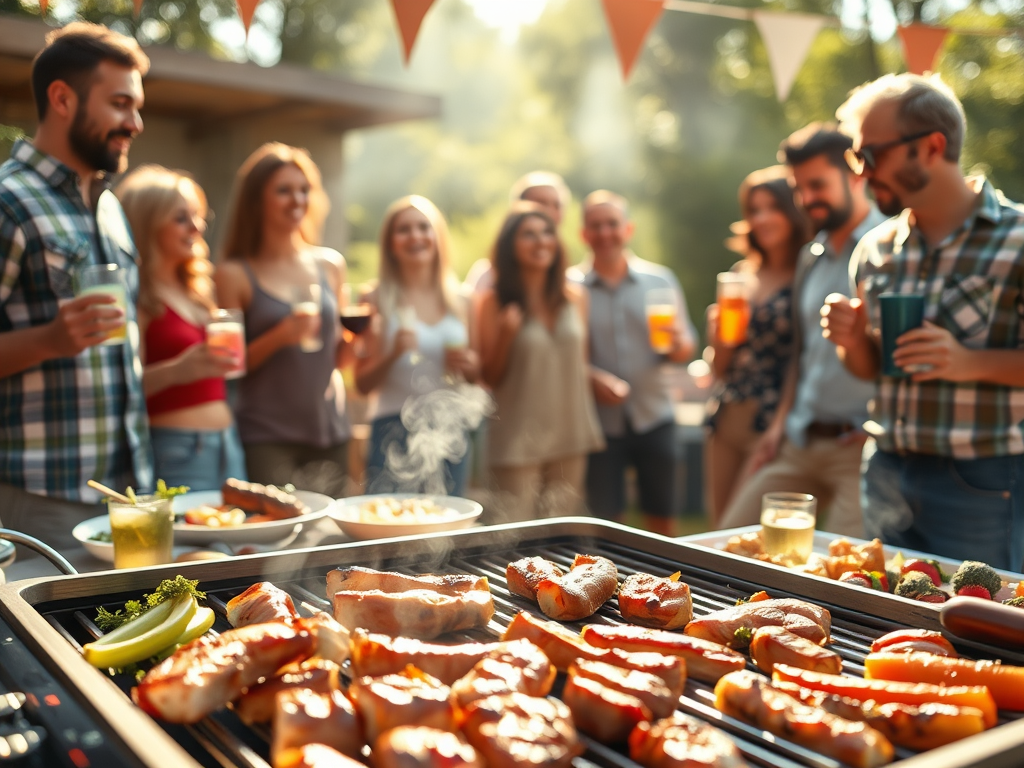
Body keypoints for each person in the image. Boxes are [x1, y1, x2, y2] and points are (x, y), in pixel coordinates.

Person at [822, 74, 1024, 570]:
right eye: (856, 158)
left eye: (871, 155)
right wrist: (852, 341)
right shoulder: (874, 250)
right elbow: (871, 368)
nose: (862, 174)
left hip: (981, 481)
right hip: (885, 467)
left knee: (979, 615)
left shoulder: (1017, 240)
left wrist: (967, 362)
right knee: (882, 611)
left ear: (932, 146)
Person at [0, 23, 152, 549]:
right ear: (62, 99)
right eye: (120, 104)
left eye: (137, 107)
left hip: (127, 492)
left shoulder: (110, 207)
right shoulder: (8, 202)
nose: (135, 123)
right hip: (39, 499)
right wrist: (49, 339)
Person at [719, 124, 886, 536]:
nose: (807, 199)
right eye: (799, 188)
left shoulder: (891, 247)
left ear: (855, 175)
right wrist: (780, 426)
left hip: (860, 449)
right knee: (723, 544)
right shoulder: (811, 256)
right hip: (799, 442)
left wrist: (880, 427)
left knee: (846, 569)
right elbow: (802, 352)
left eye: (817, 185)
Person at [215, 143, 351, 496]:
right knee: (278, 528)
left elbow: (338, 357)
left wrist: (362, 338)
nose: (297, 200)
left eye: (304, 190)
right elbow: (229, 366)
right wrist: (280, 336)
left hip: (330, 431)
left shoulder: (330, 265)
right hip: (267, 437)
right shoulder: (234, 274)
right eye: (284, 191)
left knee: (331, 530)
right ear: (256, 200)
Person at [116, 166, 246, 490]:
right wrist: (177, 370)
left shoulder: (198, 289)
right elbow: (120, 389)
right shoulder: (138, 298)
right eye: (181, 218)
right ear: (148, 223)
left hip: (227, 441)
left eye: (198, 216)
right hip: (177, 448)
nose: (197, 227)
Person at [577, 191, 695, 537]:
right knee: (607, 526)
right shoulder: (571, 288)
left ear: (628, 229)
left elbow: (686, 347)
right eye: (596, 225)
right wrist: (591, 377)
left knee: (663, 521)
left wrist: (678, 344)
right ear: (583, 234)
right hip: (598, 425)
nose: (605, 233)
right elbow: (565, 359)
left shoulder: (660, 280)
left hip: (655, 415)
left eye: (612, 224)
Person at [477, 202, 604, 521]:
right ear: (510, 246)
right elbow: (489, 377)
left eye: (547, 232)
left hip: (571, 433)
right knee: (513, 536)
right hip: (517, 437)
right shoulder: (492, 302)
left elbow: (578, 364)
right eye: (529, 234)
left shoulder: (577, 298)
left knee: (562, 534)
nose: (541, 241)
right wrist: (506, 336)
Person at [704, 167, 811, 525]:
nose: (761, 218)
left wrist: (779, 425)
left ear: (793, 211)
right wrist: (719, 338)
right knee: (717, 529)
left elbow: (802, 359)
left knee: (741, 528)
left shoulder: (806, 275)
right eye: (754, 210)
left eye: (772, 208)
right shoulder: (740, 274)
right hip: (727, 415)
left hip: (771, 420)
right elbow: (720, 369)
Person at [355, 196, 481, 495]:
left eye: (424, 227)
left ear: (438, 236)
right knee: (387, 517)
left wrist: (470, 365)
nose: (415, 236)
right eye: (404, 229)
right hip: (391, 426)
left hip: (450, 429)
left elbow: (476, 376)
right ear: (390, 243)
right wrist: (393, 354)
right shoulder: (373, 298)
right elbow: (361, 385)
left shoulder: (463, 300)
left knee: (448, 518)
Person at [463, 171, 571, 294]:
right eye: (541, 203)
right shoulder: (488, 278)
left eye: (557, 206)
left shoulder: (571, 283)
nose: (550, 212)